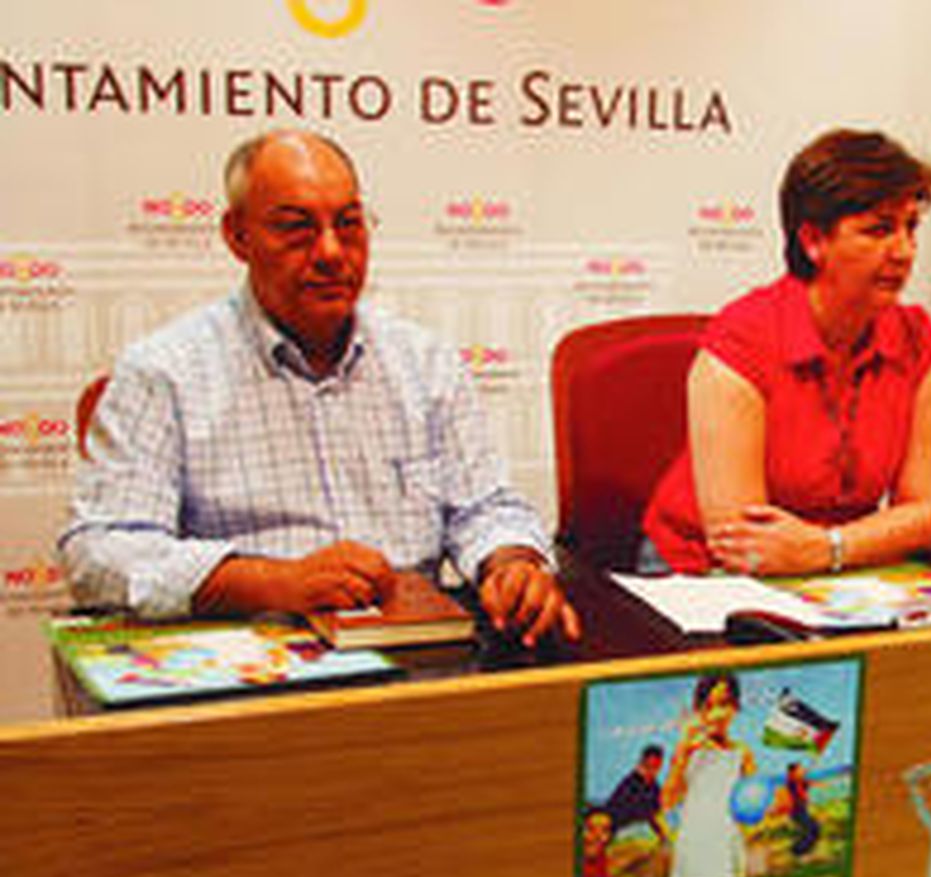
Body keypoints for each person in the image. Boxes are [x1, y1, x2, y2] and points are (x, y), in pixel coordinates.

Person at [59, 129, 578, 647]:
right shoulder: (164, 372)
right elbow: (99, 553)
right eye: (296, 228)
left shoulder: (426, 362)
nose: (332, 252)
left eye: (349, 224)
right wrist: (275, 583)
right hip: (253, 667)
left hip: (418, 658)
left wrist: (512, 562)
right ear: (237, 236)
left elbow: (486, 507)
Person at [642, 128, 931, 575]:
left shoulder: (917, 338)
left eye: (910, 227)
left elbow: (926, 515)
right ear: (813, 241)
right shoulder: (743, 341)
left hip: (837, 569)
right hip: (700, 571)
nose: (904, 250)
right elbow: (741, 544)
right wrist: (855, 543)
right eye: (879, 229)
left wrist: (831, 547)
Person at [663, 672, 756, 877]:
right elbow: (668, 801)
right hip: (695, 841)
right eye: (708, 706)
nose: (716, 714)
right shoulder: (689, 750)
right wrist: (684, 754)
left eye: (723, 704)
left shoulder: (742, 753)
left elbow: (754, 801)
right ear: (698, 710)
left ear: (735, 707)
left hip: (728, 839)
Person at [604, 744, 667, 843]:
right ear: (642, 763)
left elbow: (655, 814)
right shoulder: (631, 784)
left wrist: (663, 837)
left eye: (656, 767)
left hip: (630, 830)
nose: (652, 771)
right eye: (648, 766)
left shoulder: (653, 786)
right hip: (617, 830)